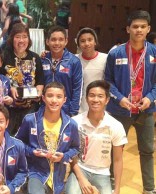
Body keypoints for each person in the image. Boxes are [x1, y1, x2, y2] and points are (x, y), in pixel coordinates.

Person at [104, 10, 156, 194]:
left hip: (146, 110)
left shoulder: (154, 53)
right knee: (115, 149)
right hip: (121, 110)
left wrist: (150, 98)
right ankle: (111, 185)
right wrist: (120, 98)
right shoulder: (116, 52)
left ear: (148, 29)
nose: (139, 30)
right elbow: (107, 82)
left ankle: (149, 189)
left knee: (148, 151)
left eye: (143, 27)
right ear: (128, 29)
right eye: (135, 26)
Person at [15, 81, 80, 194]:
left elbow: (75, 148)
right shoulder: (30, 120)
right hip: (36, 172)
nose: (54, 100)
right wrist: (32, 152)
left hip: (58, 176)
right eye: (50, 96)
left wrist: (64, 156)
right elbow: (18, 144)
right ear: (43, 98)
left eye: (59, 97)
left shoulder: (71, 124)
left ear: (64, 100)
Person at [65, 80, 128, 194]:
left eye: (100, 96)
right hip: (80, 168)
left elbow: (118, 160)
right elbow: (71, 154)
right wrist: (81, 178)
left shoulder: (116, 125)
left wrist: (117, 189)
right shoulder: (75, 122)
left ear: (107, 100)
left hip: (102, 172)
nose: (95, 100)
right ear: (86, 98)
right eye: (92, 95)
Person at [0, 23, 44, 135]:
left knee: (28, 138)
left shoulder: (35, 57)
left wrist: (38, 93)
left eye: (24, 37)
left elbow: (40, 80)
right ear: (12, 39)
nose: (21, 40)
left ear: (29, 39)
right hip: (9, 108)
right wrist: (9, 87)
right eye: (17, 37)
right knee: (8, 137)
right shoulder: (4, 56)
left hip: (30, 108)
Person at [41, 25, 82, 116]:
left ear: (66, 41)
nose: (57, 43)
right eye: (53, 39)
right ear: (47, 41)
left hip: (65, 110)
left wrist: (73, 112)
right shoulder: (42, 60)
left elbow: (77, 89)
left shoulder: (74, 61)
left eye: (60, 39)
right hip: (44, 108)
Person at [75, 27, 107, 112]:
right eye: (82, 41)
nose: (87, 43)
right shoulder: (74, 60)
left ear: (95, 42)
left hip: (100, 106)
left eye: (90, 40)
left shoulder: (106, 58)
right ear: (78, 44)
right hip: (80, 108)